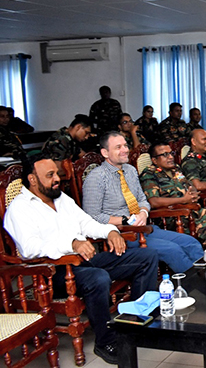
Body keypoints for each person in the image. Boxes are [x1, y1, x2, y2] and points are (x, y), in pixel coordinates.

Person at [4, 154, 159, 365]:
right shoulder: (20, 208)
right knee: (98, 277)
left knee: (147, 256)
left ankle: (136, 324)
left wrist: (110, 232)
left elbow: (87, 223)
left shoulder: (61, 198)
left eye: (57, 174)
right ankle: (105, 342)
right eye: (50, 175)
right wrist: (72, 244)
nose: (57, 179)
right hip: (52, 274)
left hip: (83, 262)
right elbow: (30, 249)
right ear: (32, 179)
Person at [82, 132, 203, 273]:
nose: (125, 150)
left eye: (125, 146)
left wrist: (143, 213)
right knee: (173, 250)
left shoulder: (130, 170)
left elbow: (142, 200)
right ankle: (194, 283)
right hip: (122, 234)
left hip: (144, 228)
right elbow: (92, 217)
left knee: (190, 243)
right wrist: (124, 220)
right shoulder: (96, 178)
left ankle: (205, 279)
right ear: (105, 153)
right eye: (118, 147)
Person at [140, 142, 206, 246]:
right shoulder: (149, 174)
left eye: (171, 153)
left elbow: (190, 187)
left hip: (193, 213)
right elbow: (153, 202)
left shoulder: (175, 169)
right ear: (154, 160)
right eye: (165, 155)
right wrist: (183, 200)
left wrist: (194, 193)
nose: (170, 157)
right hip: (174, 218)